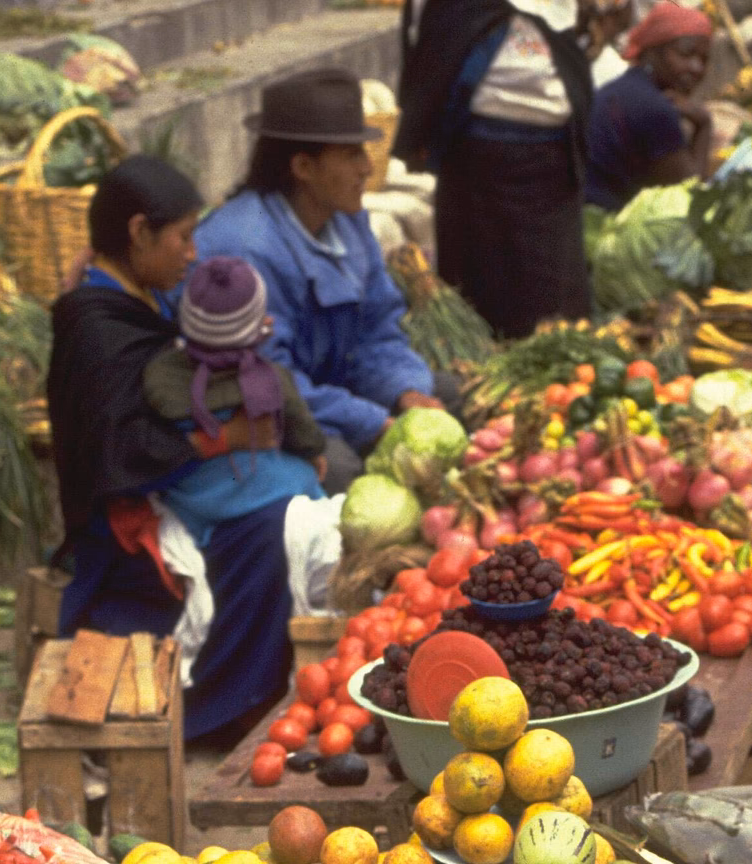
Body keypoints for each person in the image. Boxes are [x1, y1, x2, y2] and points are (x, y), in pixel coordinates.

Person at [46, 156, 299, 740]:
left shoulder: (135, 297)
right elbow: (119, 452)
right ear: (138, 233)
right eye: (183, 237)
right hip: (122, 529)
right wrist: (230, 438)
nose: (192, 254)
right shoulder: (99, 329)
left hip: (172, 486)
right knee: (270, 529)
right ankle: (217, 708)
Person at [195, 69, 441, 493]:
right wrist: (372, 420)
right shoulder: (244, 250)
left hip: (328, 391)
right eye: (351, 155)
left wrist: (404, 391)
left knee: (442, 397)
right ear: (303, 166)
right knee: (341, 467)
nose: (367, 168)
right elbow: (270, 379)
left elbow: (377, 329)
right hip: (262, 414)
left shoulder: (348, 223)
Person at [397, 0, 595, 339]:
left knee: (554, 296)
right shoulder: (457, 11)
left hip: (552, 162)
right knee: (485, 288)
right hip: (479, 160)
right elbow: (430, 57)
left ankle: (556, 362)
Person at [142, 255, 326, 547]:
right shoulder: (269, 378)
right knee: (305, 475)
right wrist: (315, 455)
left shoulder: (160, 371)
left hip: (190, 495)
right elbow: (303, 435)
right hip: (246, 485)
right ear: (255, 326)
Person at [583, 3, 713, 214]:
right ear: (654, 51)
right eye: (686, 54)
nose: (696, 68)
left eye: (704, 59)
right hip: (602, 224)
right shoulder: (654, 107)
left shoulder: (626, 85)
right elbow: (691, 199)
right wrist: (704, 125)